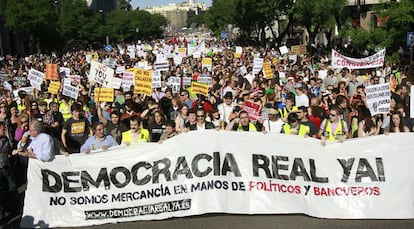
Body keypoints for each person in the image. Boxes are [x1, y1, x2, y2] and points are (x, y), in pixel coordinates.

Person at [0, 121, 16, 226]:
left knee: (11, 188)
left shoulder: (5, 139)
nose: (4, 130)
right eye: (2, 129)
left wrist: (18, 151)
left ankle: (10, 208)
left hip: (6, 168)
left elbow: (10, 153)